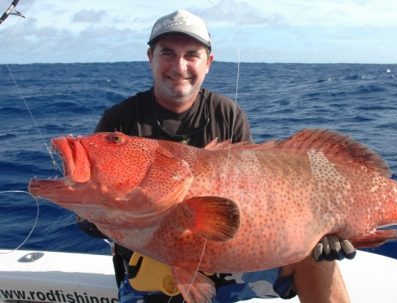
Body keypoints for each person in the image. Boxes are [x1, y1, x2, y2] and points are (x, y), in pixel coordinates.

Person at [78, 9, 355, 303]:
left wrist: (318, 231)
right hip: (151, 266)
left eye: (192, 55)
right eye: (168, 53)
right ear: (151, 58)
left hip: (224, 256)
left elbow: (252, 201)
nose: (179, 65)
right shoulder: (119, 123)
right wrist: (94, 215)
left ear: (208, 63)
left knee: (316, 258)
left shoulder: (227, 113)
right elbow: (90, 203)